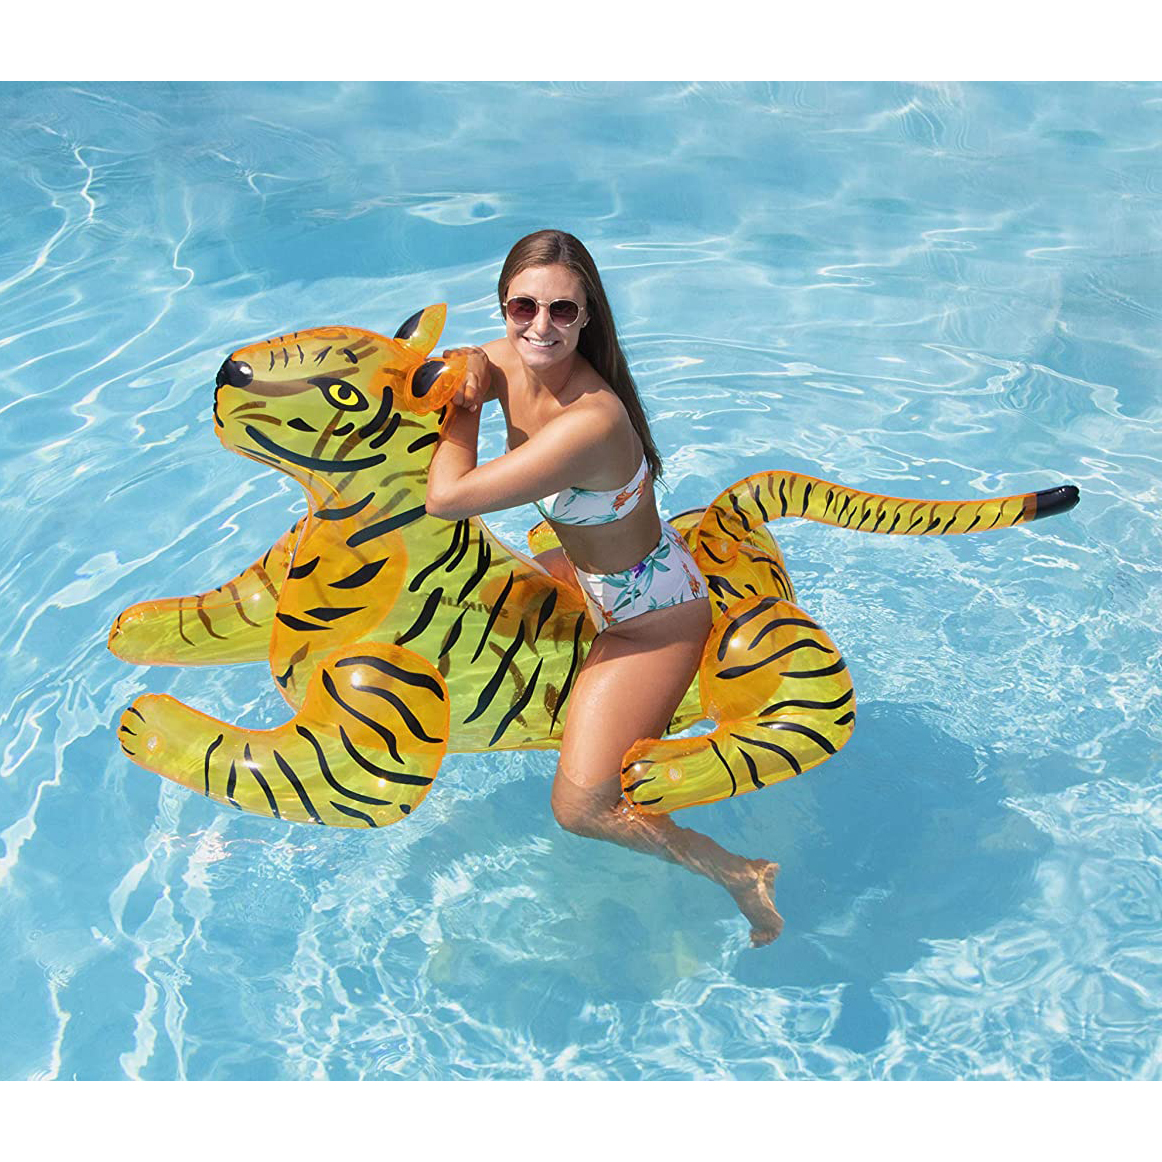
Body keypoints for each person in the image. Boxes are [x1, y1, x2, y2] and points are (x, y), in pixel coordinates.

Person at [425, 230, 783, 946]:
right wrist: (467, 366)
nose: (541, 326)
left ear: (587, 316)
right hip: (592, 574)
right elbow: (459, 366)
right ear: (502, 305)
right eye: (523, 307)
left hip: (651, 618)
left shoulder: (591, 421)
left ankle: (740, 873)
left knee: (582, 810)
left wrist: (462, 403)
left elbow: (448, 497)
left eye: (562, 310)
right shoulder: (506, 358)